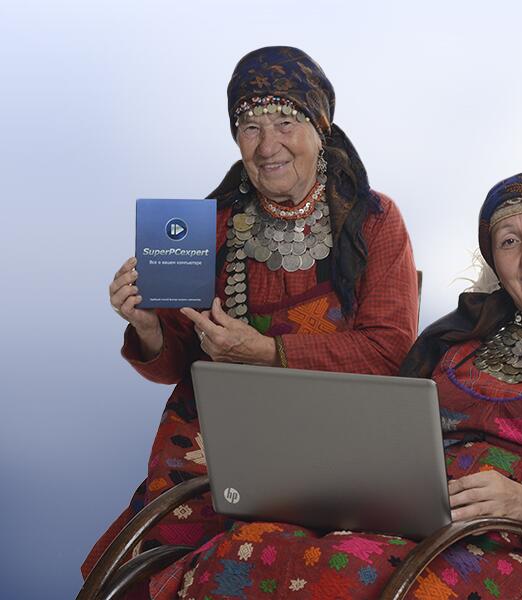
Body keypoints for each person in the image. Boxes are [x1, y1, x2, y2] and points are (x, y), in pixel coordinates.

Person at [144, 167, 522, 599]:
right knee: (245, 549)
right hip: (405, 523)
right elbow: (385, 430)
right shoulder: (458, 343)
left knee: (335, 577)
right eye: (508, 240)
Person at [81, 46, 419, 597]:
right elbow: (176, 366)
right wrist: (147, 326)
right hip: (219, 439)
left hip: (342, 441)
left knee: (275, 561)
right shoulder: (208, 224)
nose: (266, 146)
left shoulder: (374, 220)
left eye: (285, 123)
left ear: (320, 127)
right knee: (145, 565)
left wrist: (266, 353)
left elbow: (390, 352)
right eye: (249, 127)